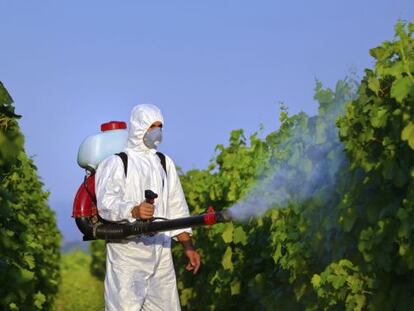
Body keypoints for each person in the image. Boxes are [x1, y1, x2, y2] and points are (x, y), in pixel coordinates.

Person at [95, 104, 201, 311]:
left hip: (161, 252)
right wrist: (133, 211)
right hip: (128, 255)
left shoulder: (163, 162)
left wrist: (188, 247)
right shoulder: (117, 163)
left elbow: (176, 206)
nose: (157, 131)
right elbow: (106, 203)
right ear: (139, 127)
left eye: (160, 126)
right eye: (152, 126)